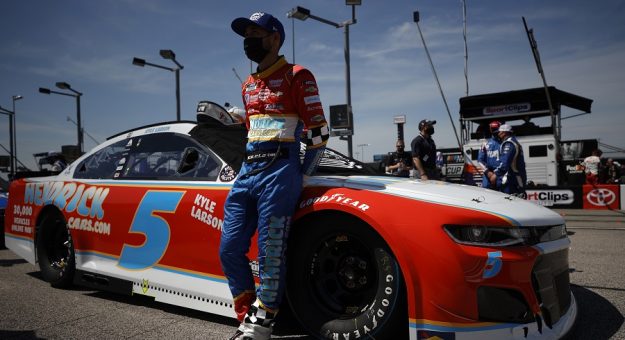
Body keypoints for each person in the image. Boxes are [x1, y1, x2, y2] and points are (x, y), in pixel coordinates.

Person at [219, 11, 329, 340]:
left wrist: (302, 172)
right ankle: (248, 314)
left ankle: (258, 328)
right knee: (228, 248)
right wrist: (242, 121)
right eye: (246, 35)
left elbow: (320, 133)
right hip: (248, 172)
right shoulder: (247, 86)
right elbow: (258, 128)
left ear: (275, 38)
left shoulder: (298, 74)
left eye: (256, 33)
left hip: (280, 173)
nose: (248, 40)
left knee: (270, 253)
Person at [489, 124, 527, 195]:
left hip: (513, 179)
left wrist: (496, 174)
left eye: (499, 132)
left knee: (512, 201)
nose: (498, 133)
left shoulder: (509, 144)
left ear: (504, 132)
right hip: (515, 178)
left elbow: (505, 163)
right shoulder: (514, 142)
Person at [477, 121, 502, 189]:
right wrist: (488, 173)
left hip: (501, 174)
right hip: (488, 174)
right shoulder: (485, 144)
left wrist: (496, 174)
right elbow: (480, 160)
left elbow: (507, 161)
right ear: (490, 129)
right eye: (493, 129)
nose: (495, 131)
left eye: (496, 128)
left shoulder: (505, 143)